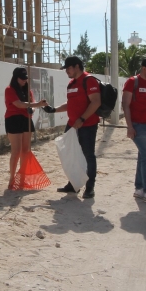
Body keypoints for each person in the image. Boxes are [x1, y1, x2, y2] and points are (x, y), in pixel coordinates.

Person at [44, 56, 101, 199]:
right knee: (70, 154)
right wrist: (54, 110)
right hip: (72, 125)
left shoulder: (89, 80)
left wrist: (82, 119)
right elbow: (70, 104)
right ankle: (73, 184)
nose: (66, 71)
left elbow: (96, 102)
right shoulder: (71, 84)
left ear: (76, 66)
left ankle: (90, 187)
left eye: (68, 68)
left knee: (88, 156)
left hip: (87, 125)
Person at [121, 58, 146, 201]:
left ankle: (139, 188)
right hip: (137, 125)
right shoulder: (132, 82)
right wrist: (130, 126)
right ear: (144, 68)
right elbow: (125, 104)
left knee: (143, 157)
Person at [4, 67, 47, 189]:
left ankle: (22, 178)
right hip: (13, 119)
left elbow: (31, 104)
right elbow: (18, 104)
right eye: (22, 79)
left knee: (26, 151)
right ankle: (12, 178)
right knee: (16, 151)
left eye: (25, 79)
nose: (24, 81)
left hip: (26, 120)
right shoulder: (9, 90)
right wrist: (36, 105)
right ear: (16, 78)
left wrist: (33, 108)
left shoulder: (28, 91)